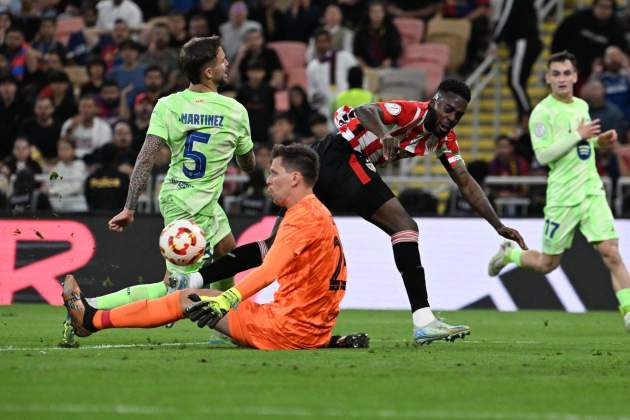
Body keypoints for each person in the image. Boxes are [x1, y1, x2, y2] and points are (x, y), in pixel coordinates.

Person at [172, 78, 527, 345]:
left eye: (459, 114)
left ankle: (196, 280)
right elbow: (365, 111)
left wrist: (497, 225)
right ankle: (423, 319)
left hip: (326, 160)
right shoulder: (412, 113)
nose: (452, 118)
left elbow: (466, 183)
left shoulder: (444, 141)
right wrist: (385, 134)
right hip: (342, 155)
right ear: (434, 102)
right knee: (404, 226)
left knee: (274, 245)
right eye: (448, 109)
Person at [62, 144, 368, 350]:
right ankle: (320, 340)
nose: (268, 181)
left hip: (284, 328)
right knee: (198, 296)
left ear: (296, 178)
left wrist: (227, 300)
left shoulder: (302, 217)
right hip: (307, 326)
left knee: (184, 299)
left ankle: (91, 320)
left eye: (274, 173)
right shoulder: (318, 212)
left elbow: (268, 272)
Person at [60, 36, 256, 346]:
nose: (227, 64)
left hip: (179, 197)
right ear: (208, 71)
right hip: (192, 209)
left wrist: (129, 207)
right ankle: (89, 310)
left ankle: (230, 320)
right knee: (173, 290)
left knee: (227, 251)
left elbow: (146, 157)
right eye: (222, 60)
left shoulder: (168, 105)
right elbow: (248, 164)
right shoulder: (235, 111)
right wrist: (244, 154)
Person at [488, 51, 630, 332]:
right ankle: (508, 254)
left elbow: (581, 149)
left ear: (576, 77)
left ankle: (628, 313)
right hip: (563, 197)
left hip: (591, 190)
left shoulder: (581, 105)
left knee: (611, 252)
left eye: (567, 73)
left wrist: (600, 142)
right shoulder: (542, 113)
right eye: (556, 74)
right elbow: (544, 156)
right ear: (548, 78)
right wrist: (579, 135)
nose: (562, 79)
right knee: (546, 264)